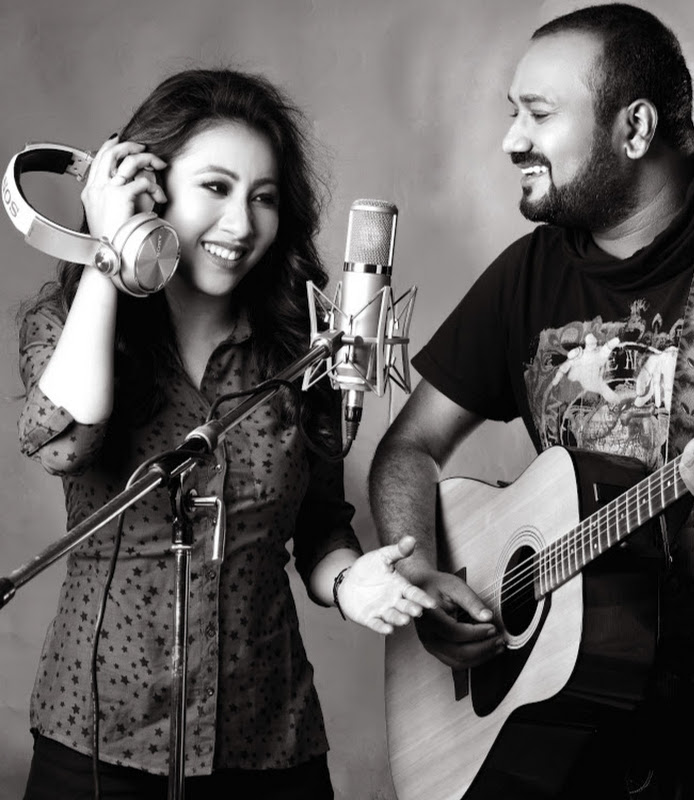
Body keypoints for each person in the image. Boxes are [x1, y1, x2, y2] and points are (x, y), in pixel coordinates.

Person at [369, 5, 694, 799]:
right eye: (512, 112)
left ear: (634, 128)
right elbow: (409, 448)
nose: (512, 140)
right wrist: (420, 573)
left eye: (538, 114)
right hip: (569, 748)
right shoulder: (527, 274)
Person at [16, 68, 435, 799]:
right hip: (101, 740)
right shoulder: (69, 321)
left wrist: (351, 583)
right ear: (151, 190)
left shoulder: (301, 348)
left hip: (268, 743)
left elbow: (320, 527)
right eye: (215, 187)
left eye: (263, 197)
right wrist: (113, 254)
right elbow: (63, 442)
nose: (241, 225)